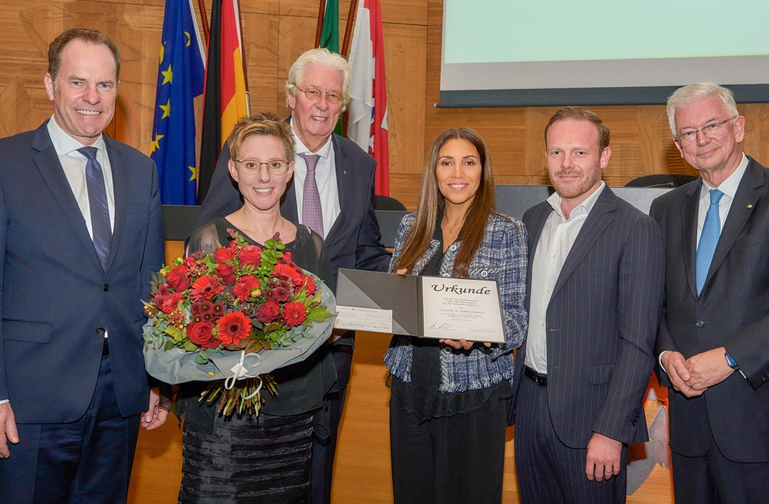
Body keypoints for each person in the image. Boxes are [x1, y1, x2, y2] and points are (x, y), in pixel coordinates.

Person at [195, 48, 390, 504]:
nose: (322, 104)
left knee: (314, 471)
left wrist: (404, 278)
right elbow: (211, 247)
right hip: (252, 357)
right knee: (249, 475)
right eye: (312, 92)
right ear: (291, 96)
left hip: (332, 351)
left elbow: (364, 252)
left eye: (333, 96)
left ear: (343, 106)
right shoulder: (255, 155)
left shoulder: (359, 164)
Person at [0, 28, 166, 503]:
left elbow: (152, 286)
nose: (92, 97)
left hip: (121, 396)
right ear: (50, 85)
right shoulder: (6, 164)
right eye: (77, 82)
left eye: (105, 84)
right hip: (29, 399)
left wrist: (156, 378)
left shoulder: (141, 170)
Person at [651, 83, 769, 504]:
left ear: (738, 127)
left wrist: (731, 357)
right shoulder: (666, 209)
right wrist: (665, 354)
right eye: (688, 132)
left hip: (763, 424)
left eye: (712, 125)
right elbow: (654, 302)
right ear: (679, 146)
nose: (701, 139)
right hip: (690, 425)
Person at [177, 113, 336, 503]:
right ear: (234, 171)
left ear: (290, 170)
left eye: (275, 164)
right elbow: (187, 333)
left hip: (291, 422)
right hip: (225, 424)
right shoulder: (209, 240)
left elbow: (326, 328)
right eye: (251, 165)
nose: (264, 176)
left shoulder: (312, 244)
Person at [512, 106, 664, 504]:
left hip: (592, 418)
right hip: (529, 408)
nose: (566, 163)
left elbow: (638, 343)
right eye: (556, 152)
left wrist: (612, 430)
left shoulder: (635, 228)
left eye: (579, 152)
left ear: (604, 156)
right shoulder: (531, 220)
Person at [384, 127, 528, 504]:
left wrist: (481, 333)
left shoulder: (506, 232)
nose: (458, 173)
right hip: (409, 387)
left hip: (474, 393)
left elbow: (517, 320)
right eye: (447, 163)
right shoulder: (410, 227)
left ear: (483, 170)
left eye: (469, 162)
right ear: (434, 170)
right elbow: (394, 309)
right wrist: (392, 293)